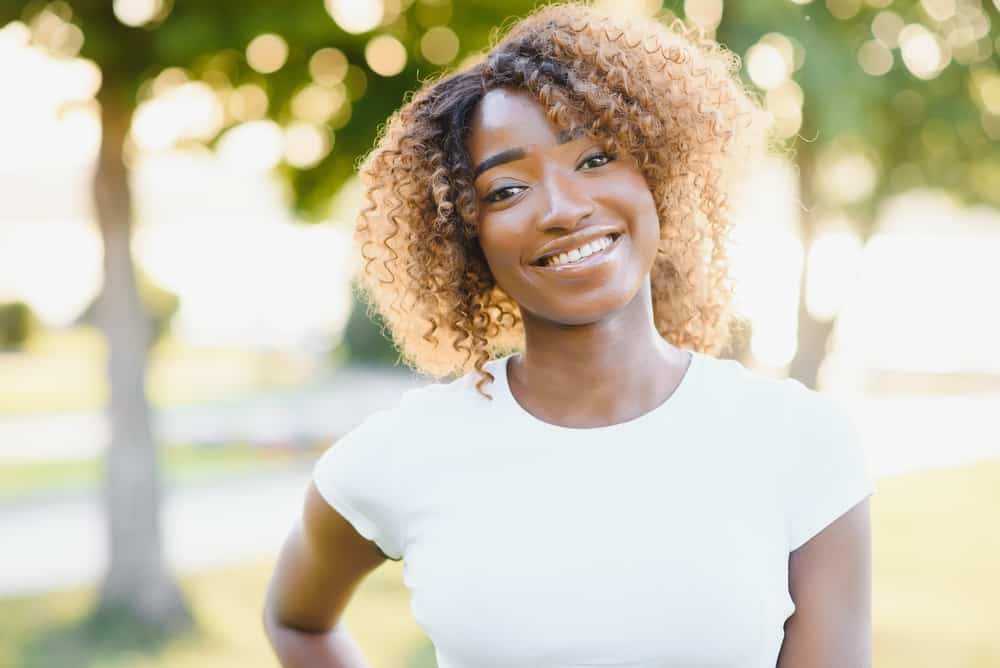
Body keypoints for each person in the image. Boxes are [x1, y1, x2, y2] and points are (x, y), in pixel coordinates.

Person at [263, 4, 876, 667]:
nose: (562, 208)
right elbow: (297, 621)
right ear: (466, 238)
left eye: (594, 157)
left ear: (656, 173)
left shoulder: (800, 444)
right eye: (505, 190)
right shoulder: (405, 453)